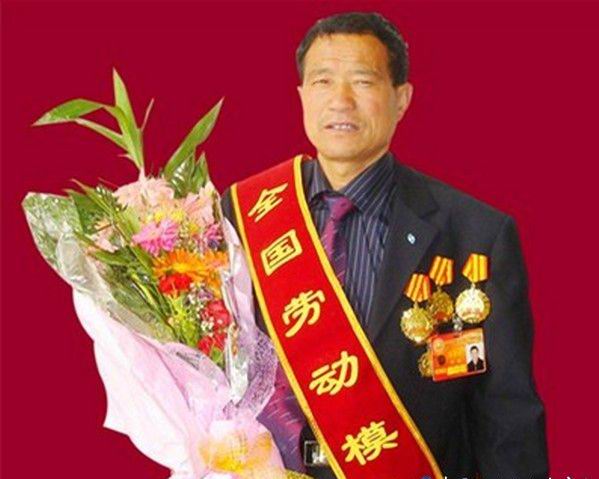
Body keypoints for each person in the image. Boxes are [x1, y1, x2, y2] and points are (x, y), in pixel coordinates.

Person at [221, 11, 548, 479]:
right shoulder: (242, 215)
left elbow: (508, 420)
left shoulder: (475, 233)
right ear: (302, 96)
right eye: (322, 81)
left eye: (363, 81)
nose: (341, 100)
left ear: (401, 99)